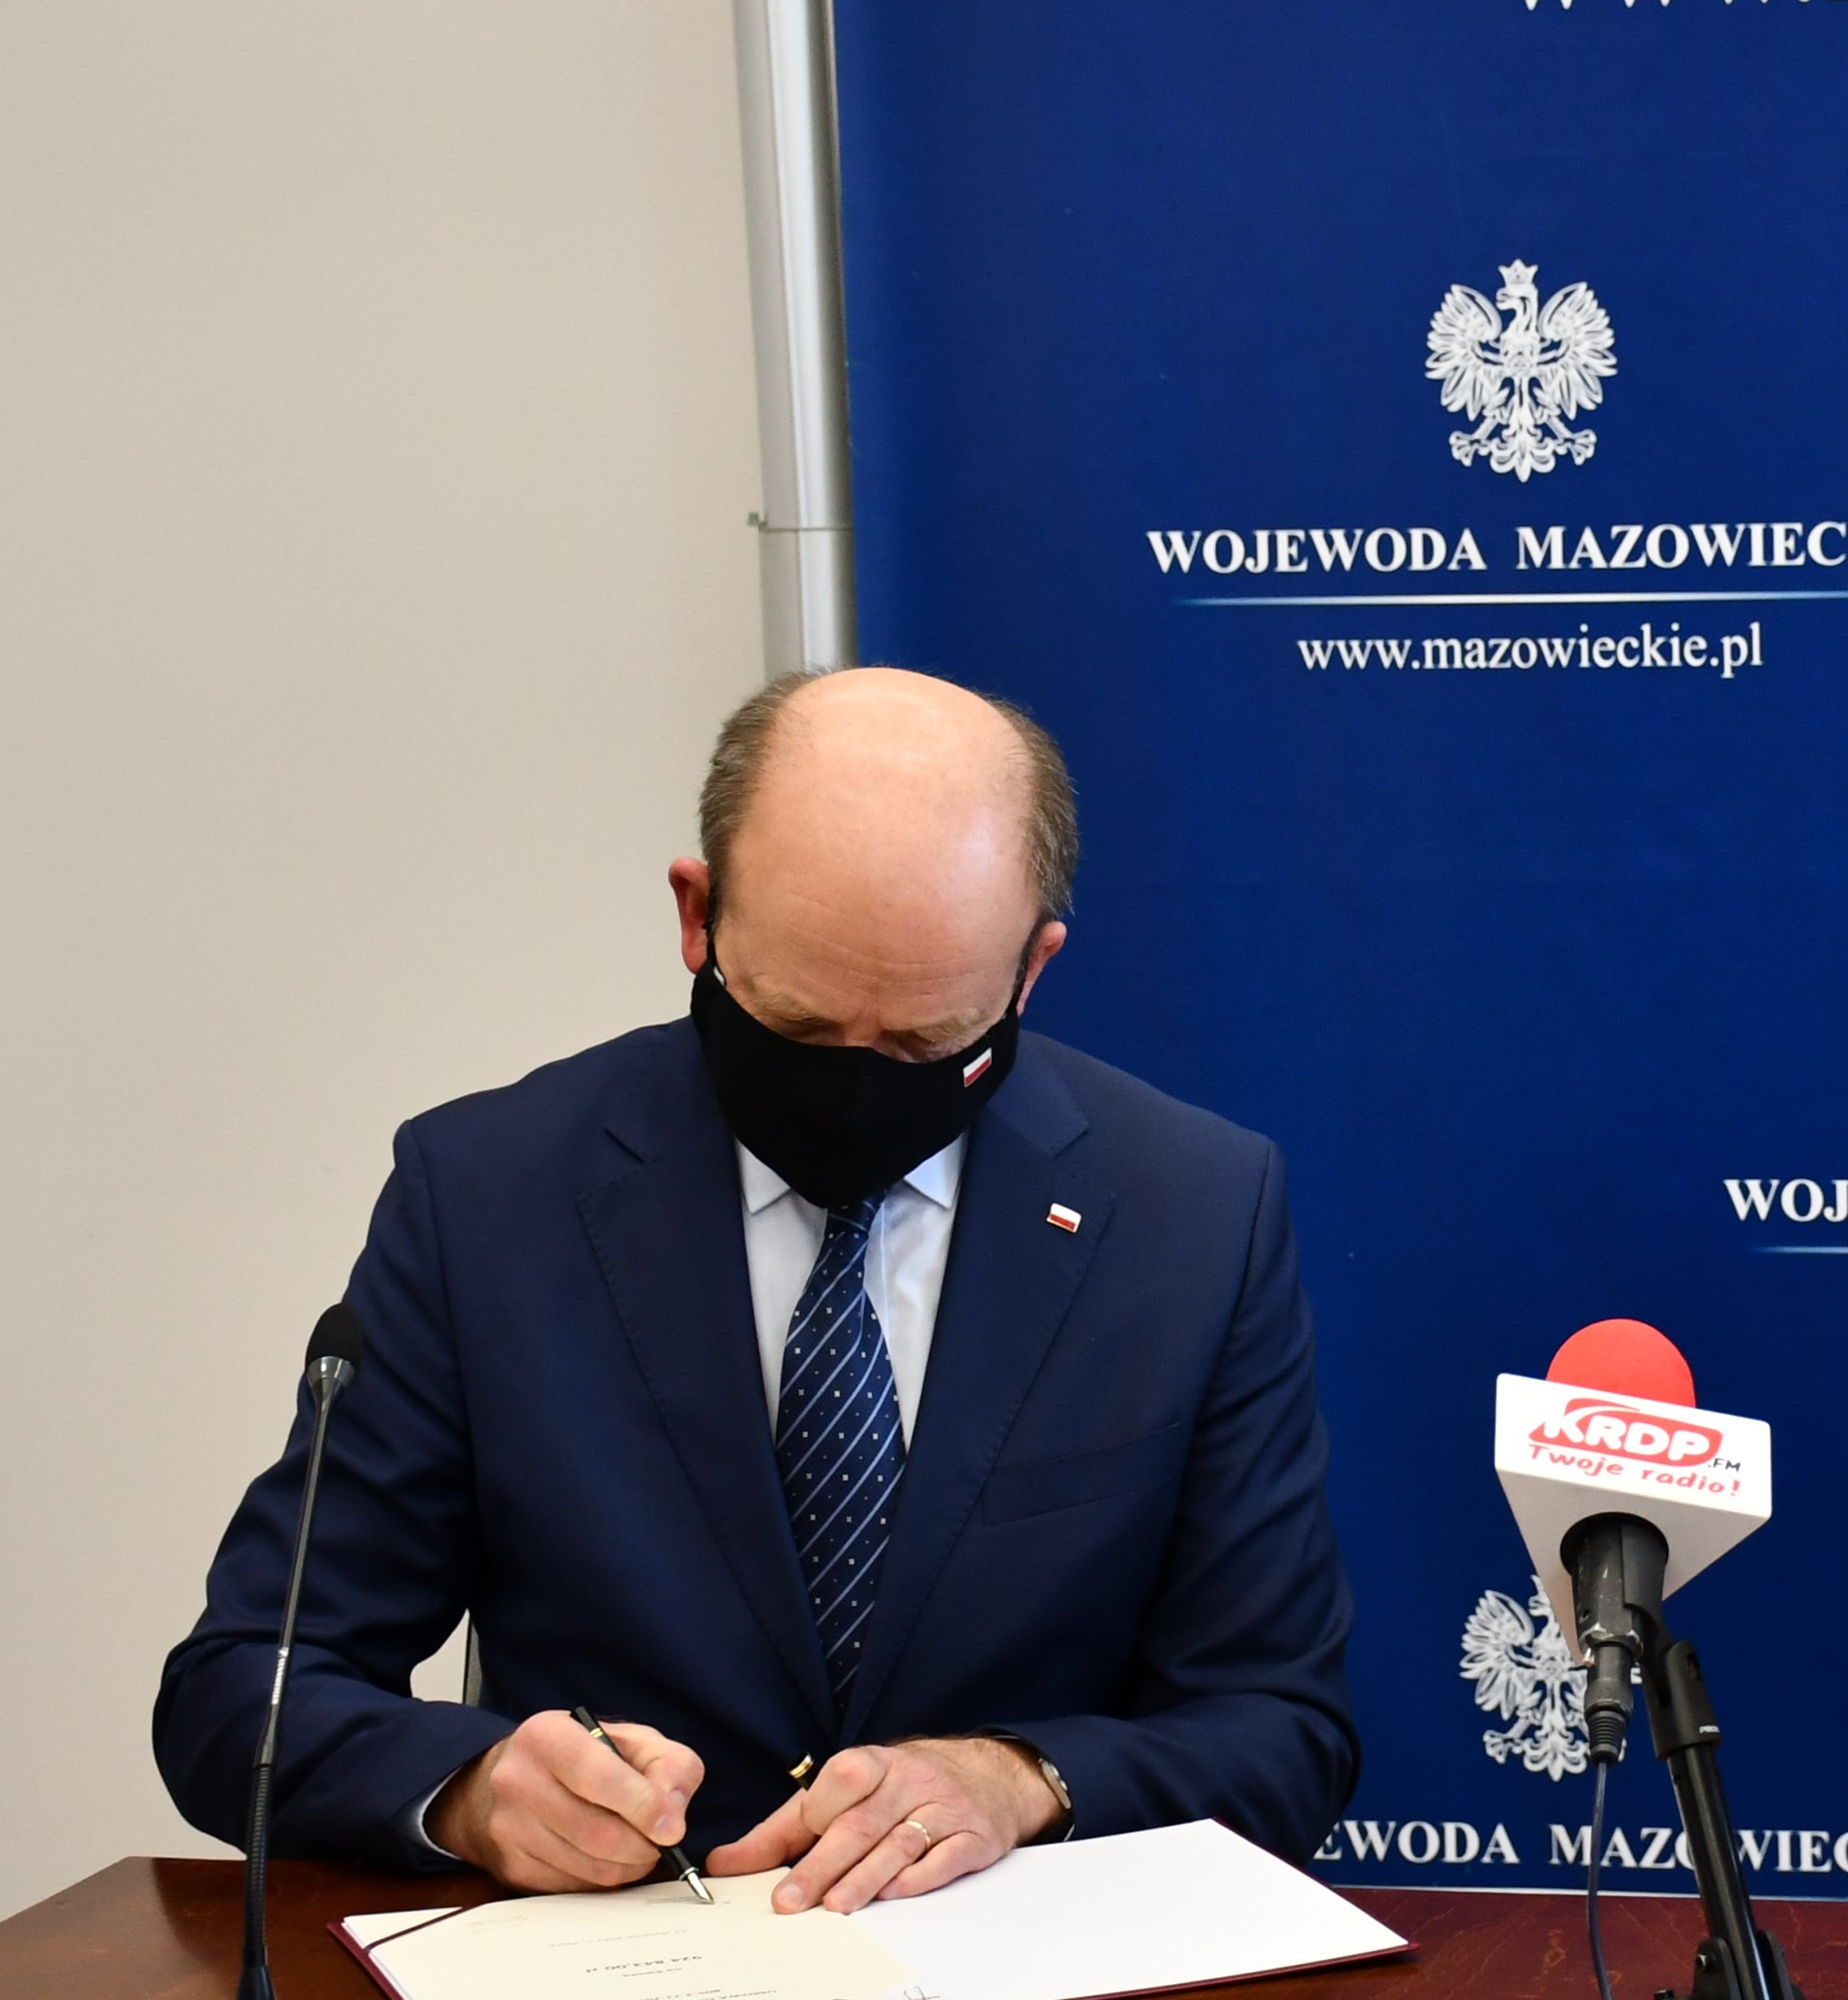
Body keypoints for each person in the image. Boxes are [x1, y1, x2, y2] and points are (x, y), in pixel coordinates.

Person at [154, 667, 1356, 1912]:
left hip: (1042, 1992)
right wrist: (470, 1790)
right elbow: (241, 1688)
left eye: (924, 1042)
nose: (856, 1085)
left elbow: (1283, 1729)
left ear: (1030, 971)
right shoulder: (489, 1196)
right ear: (698, 915)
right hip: (621, 1981)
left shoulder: (1188, 1214)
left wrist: (1022, 1780)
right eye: (798, 1026)